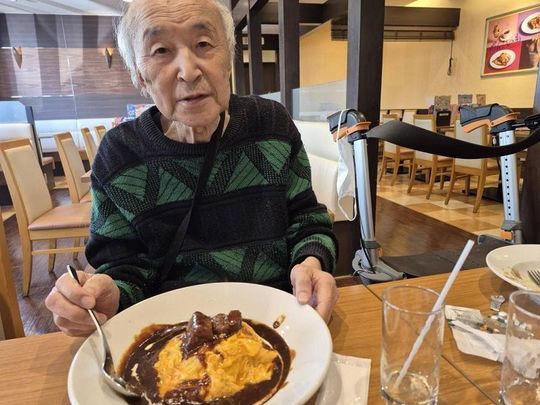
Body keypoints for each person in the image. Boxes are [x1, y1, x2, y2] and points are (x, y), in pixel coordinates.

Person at [45, 0, 338, 337]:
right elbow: (123, 268)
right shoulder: (120, 154)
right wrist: (107, 296)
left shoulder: (271, 123)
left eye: (203, 44)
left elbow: (307, 221)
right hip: (169, 338)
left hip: (278, 323)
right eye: (160, 50)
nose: (188, 71)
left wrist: (311, 263)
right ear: (139, 75)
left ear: (227, 58)